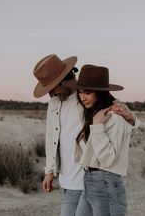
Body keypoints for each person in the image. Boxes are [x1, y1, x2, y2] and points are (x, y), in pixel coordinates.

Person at [33, 55, 139, 216]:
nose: (50, 93)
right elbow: (51, 138)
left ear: (63, 81)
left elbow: (117, 112)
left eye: (52, 88)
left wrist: (132, 119)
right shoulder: (55, 102)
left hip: (85, 174)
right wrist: (49, 171)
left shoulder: (85, 98)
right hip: (66, 174)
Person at [62, 64, 135, 216]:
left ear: (100, 93)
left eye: (87, 92)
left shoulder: (114, 117)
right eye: (80, 92)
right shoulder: (95, 113)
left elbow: (108, 159)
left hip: (106, 182)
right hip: (90, 180)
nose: (82, 97)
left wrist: (97, 128)